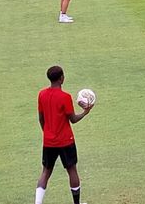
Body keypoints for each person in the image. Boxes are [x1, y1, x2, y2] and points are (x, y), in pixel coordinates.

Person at [35, 65, 93, 204]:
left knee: (45, 172)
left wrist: (47, 133)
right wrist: (85, 112)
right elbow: (73, 119)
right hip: (66, 141)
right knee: (72, 170)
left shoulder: (41, 94)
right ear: (62, 78)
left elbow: (41, 118)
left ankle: (37, 203)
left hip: (48, 141)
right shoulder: (65, 97)